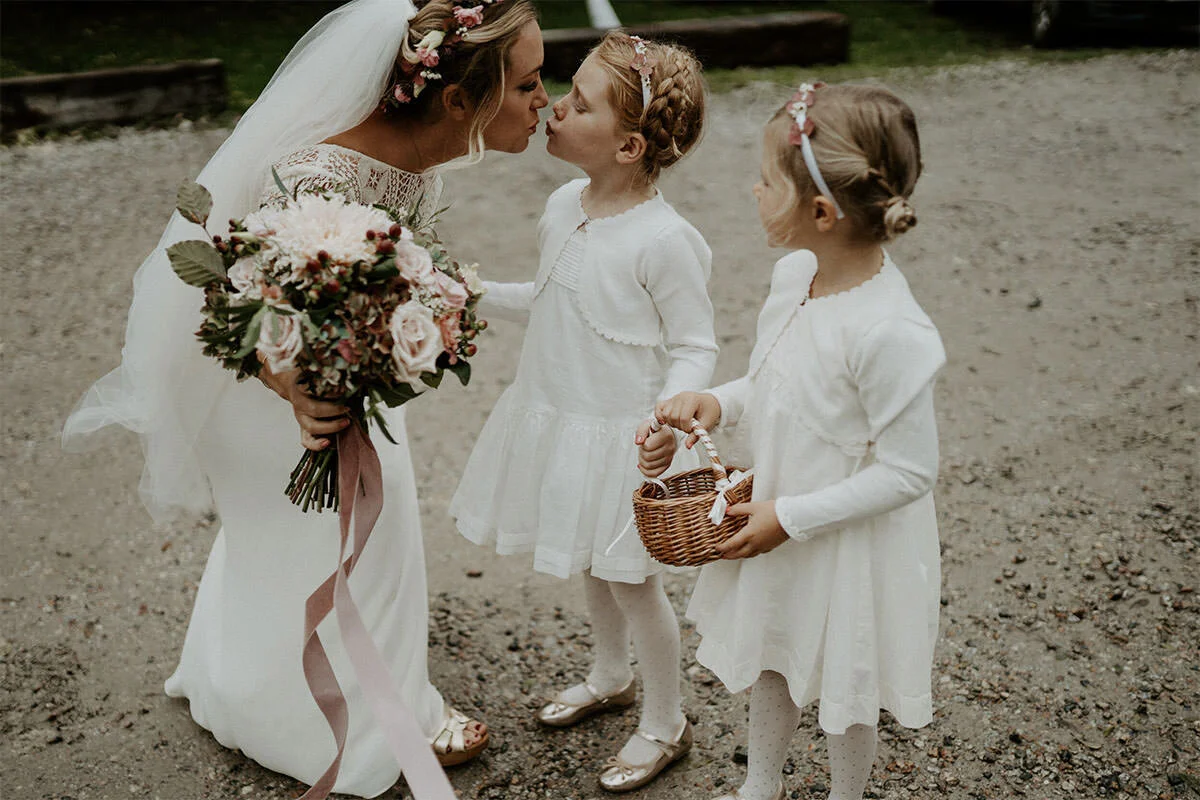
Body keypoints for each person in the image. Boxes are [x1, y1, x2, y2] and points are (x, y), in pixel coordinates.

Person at [61, 0, 549, 796]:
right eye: (529, 85)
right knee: (357, 529)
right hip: (265, 385)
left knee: (331, 536)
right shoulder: (317, 174)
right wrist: (291, 388)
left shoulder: (426, 155)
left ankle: (245, 685)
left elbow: (409, 270)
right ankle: (369, 733)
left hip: (335, 372)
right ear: (459, 99)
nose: (545, 102)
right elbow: (231, 300)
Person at [645, 82, 945, 800]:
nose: (753, 189)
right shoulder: (795, 277)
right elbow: (772, 382)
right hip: (777, 514)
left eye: (767, 180)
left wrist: (790, 518)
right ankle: (762, 784)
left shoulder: (889, 332)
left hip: (844, 537)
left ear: (819, 211)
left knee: (846, 679)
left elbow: (910, 471)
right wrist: (714, 402)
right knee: (774, 652)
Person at [448, 31, 714, 793]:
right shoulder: (565, 203)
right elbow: (552, 300)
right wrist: (470, 292)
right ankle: (609, 673)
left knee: (633, 580)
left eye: (578, 103)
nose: (554, 108)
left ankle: (666, 721)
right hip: (561, 418)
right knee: (591, 562)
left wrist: (671, 417)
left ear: (629, 145)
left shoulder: (665, 240)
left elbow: (696, 342)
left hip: (625, 435)